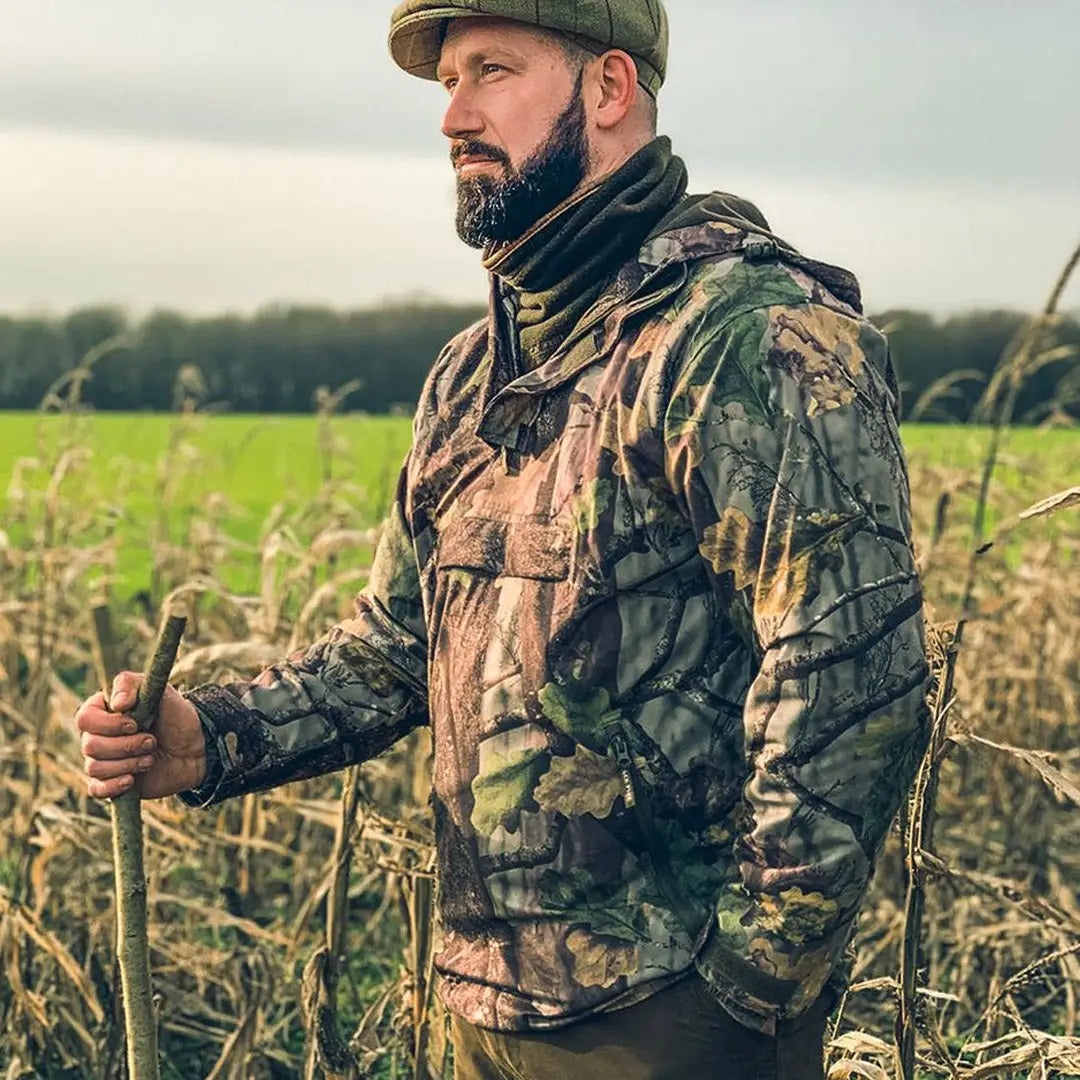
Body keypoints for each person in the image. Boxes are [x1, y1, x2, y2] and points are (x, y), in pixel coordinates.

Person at [76, 2, 932, 1077]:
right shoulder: (474, 374)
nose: (453, 117)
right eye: (445, 83)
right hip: (483, 1006)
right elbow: (393, 648)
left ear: (610, 90)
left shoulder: (746, 337)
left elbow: (856, 675)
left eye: (491, 72)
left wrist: (751, 990)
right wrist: (208, 737)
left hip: (670, 1021)